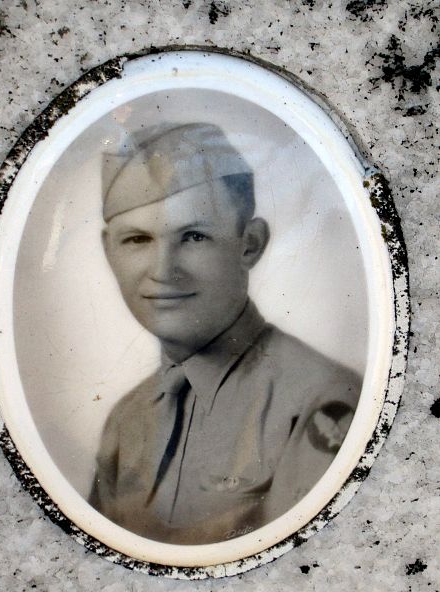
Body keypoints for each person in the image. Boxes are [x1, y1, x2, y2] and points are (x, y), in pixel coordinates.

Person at [89, 123, 362, 545]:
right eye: (138, 239)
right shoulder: (127, 420)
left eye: (194, 236)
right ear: (109, 251)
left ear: (249, 244)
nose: (162, 270)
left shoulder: (320, 402)